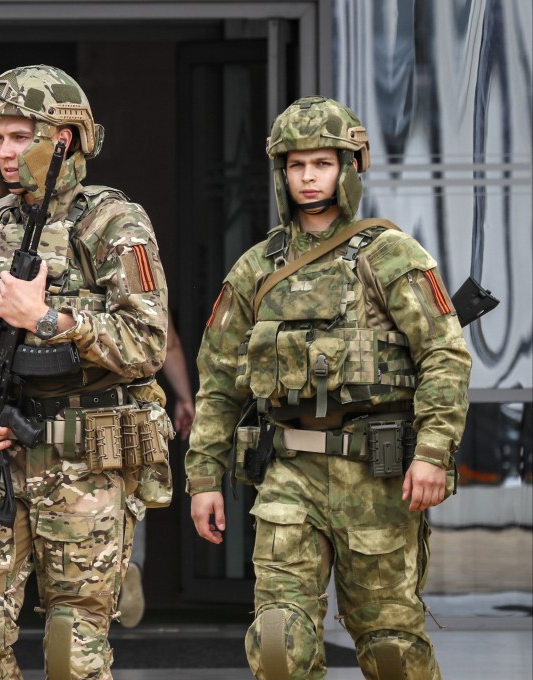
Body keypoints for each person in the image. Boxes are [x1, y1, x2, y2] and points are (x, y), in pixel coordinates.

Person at [185, 96, 471, 679]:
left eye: (322, 163)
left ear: (348, 168)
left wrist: (435, 453)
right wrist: (203, 478)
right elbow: (217, 380)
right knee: (277, 644)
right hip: (290, 473)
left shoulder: (391, 256)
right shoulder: (256, 268)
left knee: (390, 644)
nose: (308, 176)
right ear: (280, 173)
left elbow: (444, 355)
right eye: (296, 165)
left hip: (379, 473)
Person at [0, 65, 173, 679]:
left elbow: (147, 341)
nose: (5, 152)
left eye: (19, 136)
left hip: (85, 464)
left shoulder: (113, 223)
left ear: (63, 139)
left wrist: (48, 319)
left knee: (70, 653)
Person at [118, 311, 195, 628]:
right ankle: (130, 562)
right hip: (133, 407)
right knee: (133, 492)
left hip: (70, 409)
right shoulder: (139, 271)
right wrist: (184, 397)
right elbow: (171, 343)